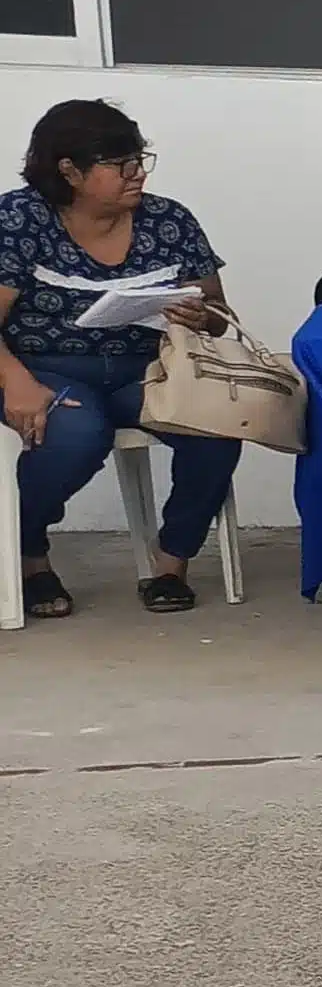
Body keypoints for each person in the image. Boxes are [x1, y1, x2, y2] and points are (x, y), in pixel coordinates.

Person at [2, 99, 240, 618]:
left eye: (140, 159)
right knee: (74, 432)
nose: (137, 174)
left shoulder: (168, 220)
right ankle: (29, 554)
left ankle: (170, 562)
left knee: (217, 426)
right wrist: (15, 381)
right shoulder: (19, 218)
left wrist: (203, 318)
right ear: (69, 170)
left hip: (147, 369)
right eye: (120, 164)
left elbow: (219, 312)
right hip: (45, 365)